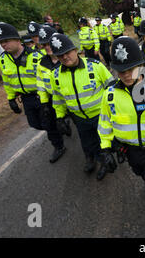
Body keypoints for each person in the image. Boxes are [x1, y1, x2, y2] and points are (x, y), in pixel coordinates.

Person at [98, 36, 145, 237]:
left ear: (140, 65)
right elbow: (105, 123)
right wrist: (105, 149)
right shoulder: (110, 94)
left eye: (131, 69)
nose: (127, 75)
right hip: (131, 153)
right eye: (121, 71)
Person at [0, 22, 66, 161]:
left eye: (6, 41)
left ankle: (59, 146)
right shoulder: (3, 59)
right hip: (26, 98)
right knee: (35, 124)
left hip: (41, 96)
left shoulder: (36, 57)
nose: (3, 45)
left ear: (17, 40)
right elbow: (7, 81)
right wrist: (10, 98)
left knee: (48, 123)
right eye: (1, 42)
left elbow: (47, 78)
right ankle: (59, 127)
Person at [49, 33, 114, 176]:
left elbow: (112, 90)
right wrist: (60, 117)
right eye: (60, 55)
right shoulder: (55, 75)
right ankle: (93, 159)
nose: (65, 57)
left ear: (75, 50)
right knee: (88, 142)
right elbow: (58, 98)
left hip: (100, 117)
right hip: (79, 119)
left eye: (67, 53)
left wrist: (115, 111)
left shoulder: (96, 66)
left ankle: (104, 163)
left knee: (103, 142)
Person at [36, 25, 70, 163]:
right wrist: (44, 103)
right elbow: (40, 84)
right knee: (49, 123)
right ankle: (58, 146)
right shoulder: (41, 64)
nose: (47, 47)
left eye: (49, 43)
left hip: (71, 98)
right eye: (44, 44)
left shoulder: (67, 59)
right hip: (53, 99)